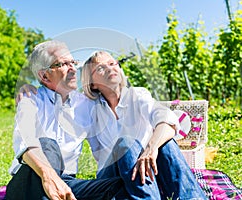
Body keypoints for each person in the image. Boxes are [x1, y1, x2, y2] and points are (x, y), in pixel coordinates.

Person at [80, 51, 207, 199]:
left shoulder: (137, 95)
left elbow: (168, 119)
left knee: (164, 142)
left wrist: (151, 148)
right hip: (110, 176)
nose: (109, 69)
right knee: (126, 143)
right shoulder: (89, 108)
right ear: (92, 84)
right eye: (100, 68)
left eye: (112, 63)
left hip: (145, 169)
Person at [5, 41, 123, 200]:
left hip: (67, 181)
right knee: (47, 145)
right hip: (31, 179)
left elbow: (107, 143)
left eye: (72, 63)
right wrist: (49, 177)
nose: (73, 69)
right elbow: (26, 143)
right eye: (63, 64)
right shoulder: (30, 99)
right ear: (44, 75)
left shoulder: (87, 105)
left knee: (120, 186)